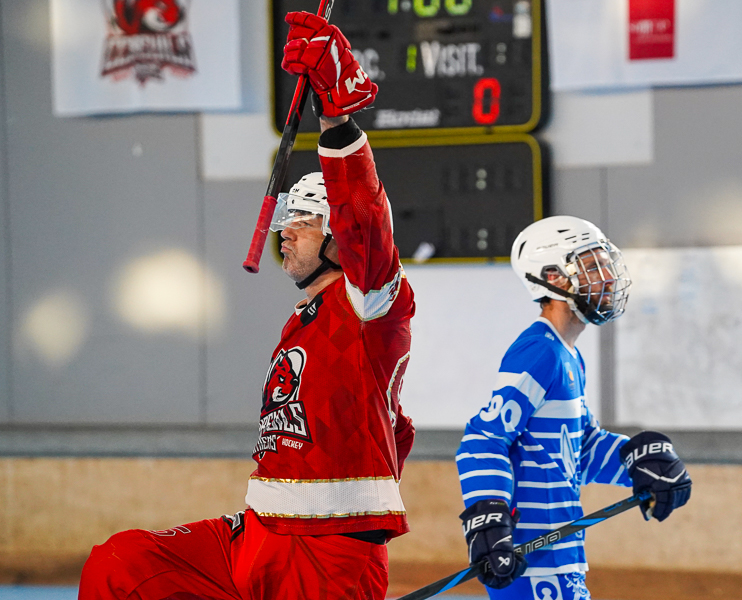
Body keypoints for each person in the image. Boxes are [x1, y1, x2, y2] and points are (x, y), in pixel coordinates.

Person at [79, 12, 415, 600]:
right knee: (122, 563)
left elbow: (366, 215)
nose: (287, 231)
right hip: (257, 532)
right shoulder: (304, 318)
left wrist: (336, 115)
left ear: (340, 235)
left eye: (306, 220)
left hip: (326, 551)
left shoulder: (372, 302)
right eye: (287, 218)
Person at [456, 216, 692, 600]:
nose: (608, 279)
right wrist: (488, 519)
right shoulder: (540, 351)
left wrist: (636, 462)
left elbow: (576, 451)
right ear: (553, 277)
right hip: (529, 558)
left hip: (561, 555)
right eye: (592, 266)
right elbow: (484, 440)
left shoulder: (569, 356)